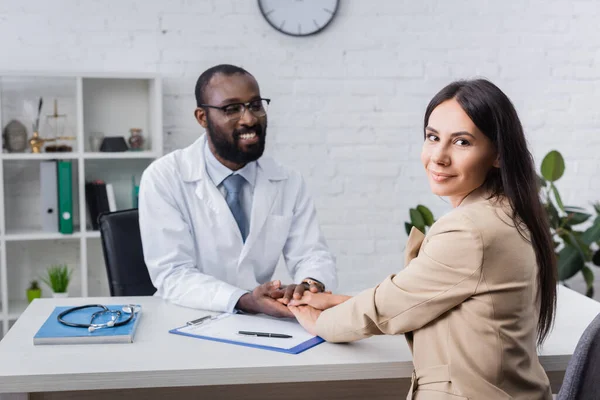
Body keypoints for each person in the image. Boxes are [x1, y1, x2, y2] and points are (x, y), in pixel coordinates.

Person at [287, 79, 556, 399]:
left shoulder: (471, 230)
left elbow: (386, 309)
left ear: (497, 154)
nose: (438, 157)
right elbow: (417, 297)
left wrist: (319, 324)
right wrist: (334, 301)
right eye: (433, 137)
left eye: (462, 142)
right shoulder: (505, 213)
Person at [138, 64, 337, 318]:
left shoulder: (288, 181)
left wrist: (309, 285)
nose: (249, 119)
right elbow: (172, 274)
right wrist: (244, 300)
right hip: (187, 319)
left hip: (261, 324)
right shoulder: (164, 177)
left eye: (255, 105)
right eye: (231, 109)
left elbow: (312, 253)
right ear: (202, 117)